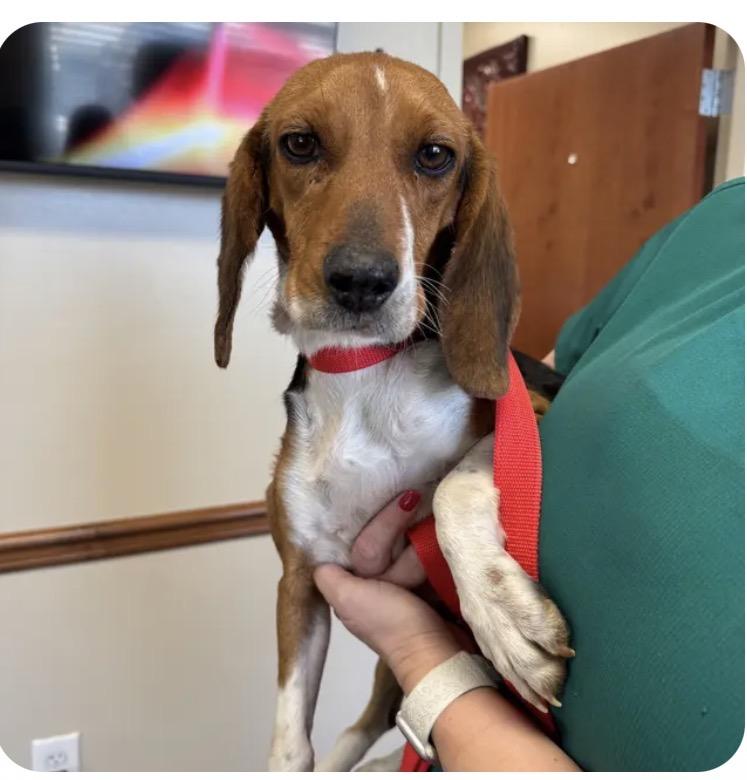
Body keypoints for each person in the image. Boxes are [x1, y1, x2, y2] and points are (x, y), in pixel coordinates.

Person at [314, 178, 745, 772]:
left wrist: (418, 651)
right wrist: (451, 497)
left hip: (457, 710)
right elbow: (536, 388)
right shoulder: (722, 219)